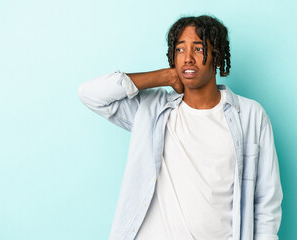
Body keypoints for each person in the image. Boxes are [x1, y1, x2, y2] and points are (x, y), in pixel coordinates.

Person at [78, 15, 283, 240]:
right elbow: (90, 94)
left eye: (198, 49)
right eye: (179, 50)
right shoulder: (151, 109)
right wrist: (164, 76)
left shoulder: (251, 116)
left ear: (217, 55)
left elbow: (266, 202)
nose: (187, 58)